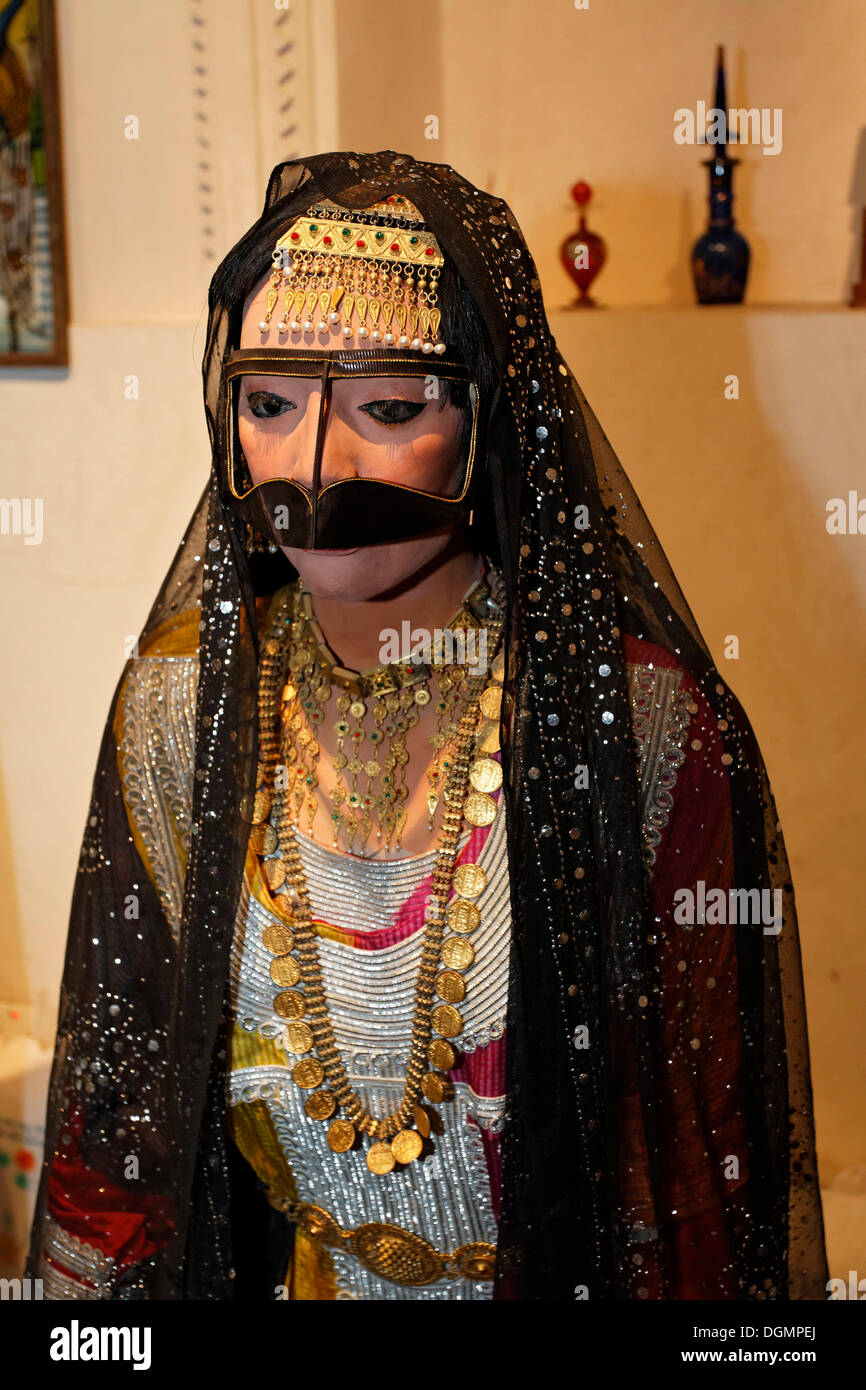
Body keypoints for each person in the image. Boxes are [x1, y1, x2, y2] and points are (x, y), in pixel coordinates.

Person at [26, 150, 828, 1301]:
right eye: (267, 404)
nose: (312, 470)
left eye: (388, 408)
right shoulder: (176, 715)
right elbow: (118, 1143)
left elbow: (693, 1177)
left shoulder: (641, 725)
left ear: (491, 418)